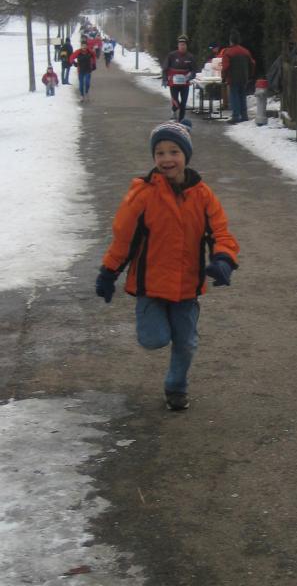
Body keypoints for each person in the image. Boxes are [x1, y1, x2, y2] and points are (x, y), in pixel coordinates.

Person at [95, 121, 240, 411]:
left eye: (173, 151)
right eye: (159, 153)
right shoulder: (143, 195)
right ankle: (157, 332)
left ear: (186, 156)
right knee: (155, 339)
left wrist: (223, 259)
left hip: (187, 287)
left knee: (186, 344)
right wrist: (108, 272)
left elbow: (220, 233)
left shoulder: (202, 195)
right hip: (150, 287)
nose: (166, 159)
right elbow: (124, 238)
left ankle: (176, 388)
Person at [221, 30, 255, 124]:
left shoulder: (228, 52)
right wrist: (250, 75)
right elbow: (252, 63)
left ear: (231, 40)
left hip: (233, 78)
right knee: (242, 95)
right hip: (244, 77)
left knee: (234, 96)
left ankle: (235, 116)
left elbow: (225, 67)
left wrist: (223, 77)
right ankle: (244, 115)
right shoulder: (245, 51)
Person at [162, 34, 196, 122]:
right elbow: (165, 68)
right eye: (180, 45)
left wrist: (190, 76)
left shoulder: (190, 57)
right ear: (178, 46)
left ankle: (181, 119)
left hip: (185, 83)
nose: (182, 46)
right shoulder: (171, 55)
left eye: (184, 45)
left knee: (184, 102)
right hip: (174, 83)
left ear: (186, 46)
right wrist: (165, 79)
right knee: (175, 101)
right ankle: (174, 112)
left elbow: (194, 70)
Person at [70, 37, 97, 101]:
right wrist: (74, 63)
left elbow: (94, 57)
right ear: (81, 46)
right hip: (81, 70)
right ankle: (82, 95)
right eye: (83, 46)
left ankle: (87, 92)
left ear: (87, 46)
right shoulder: (78, 52)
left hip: (88, 69)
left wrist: (94, 64)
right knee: (81, 84)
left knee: (87, 83)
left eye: (85, 46)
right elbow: (71, 58)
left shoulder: (90, 52)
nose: (84, 47)